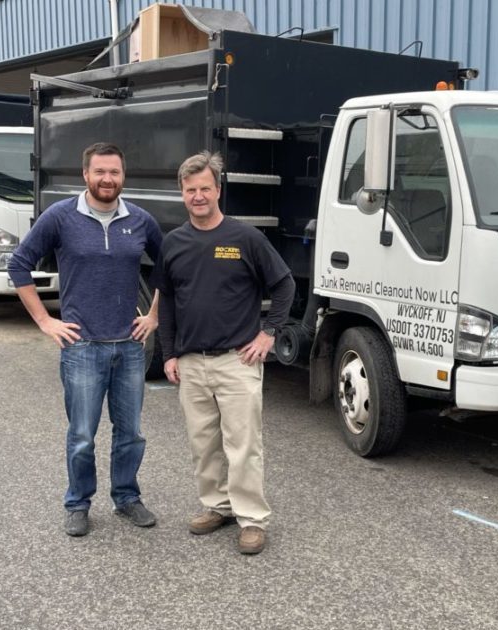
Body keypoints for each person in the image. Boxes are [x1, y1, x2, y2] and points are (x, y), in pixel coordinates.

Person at [8, 142, 162, 537]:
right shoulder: (60, 217)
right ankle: (78, 502)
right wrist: (45, 321)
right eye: (100, 172)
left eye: (114, 172)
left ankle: (126, 497)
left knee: (131, 434)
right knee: (81, 435)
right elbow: (19, 264)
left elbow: (170, 268)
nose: (107, 179)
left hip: (129, 347)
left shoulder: (141, 221)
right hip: (81, 349)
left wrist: (155, 315)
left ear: (123, 176)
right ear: (85, 175)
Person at [154, 151, 295, 554]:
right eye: (190, 190)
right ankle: (217, 506)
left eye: (205, 189)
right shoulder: (174, 243)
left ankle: (251, 519)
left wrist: (269, 333)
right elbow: (167, 303)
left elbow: (285, 286)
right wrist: (169, 354)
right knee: (203, 442)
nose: (198, 196)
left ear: (218, 190)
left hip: (237, 360)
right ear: (182, 194)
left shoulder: (246, 238)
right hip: (191, 362)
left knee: (244, 444)